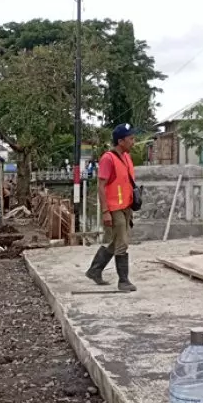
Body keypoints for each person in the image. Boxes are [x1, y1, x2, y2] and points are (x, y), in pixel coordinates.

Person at [86, 123, 138, 292]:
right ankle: (123, 281)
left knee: (116, 241)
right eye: (131, 139)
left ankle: (95, 270)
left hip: (126, 206)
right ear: (121, 141)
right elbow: (101, 187)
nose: (133, 142)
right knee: (122, 242)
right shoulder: (108, 159)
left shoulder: (127, 157)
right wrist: (105, 211)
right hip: (114, 207)